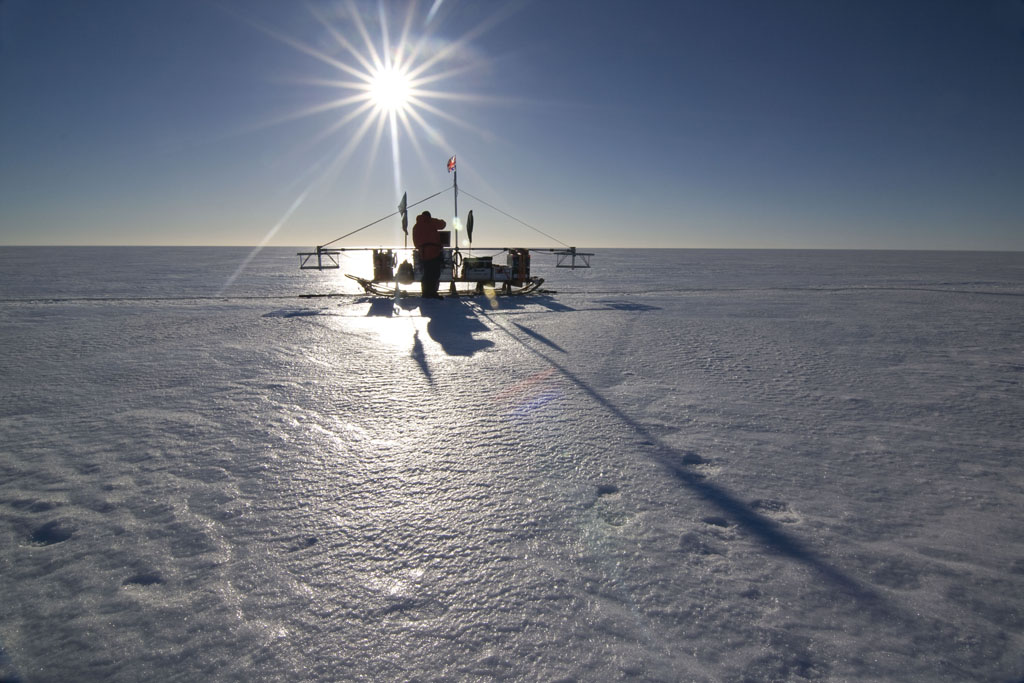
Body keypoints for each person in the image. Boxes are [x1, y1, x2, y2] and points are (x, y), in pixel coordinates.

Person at [412, 210, 446, 299]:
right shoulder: (431, 222)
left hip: (422, 253)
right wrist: (432, 220)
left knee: (426, 274)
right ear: (429, 216)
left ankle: (425, 293)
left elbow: (415, 242)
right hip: (434, 251)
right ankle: (432, 293)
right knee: (434, 273)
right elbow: (443, 224)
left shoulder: (416, 226)